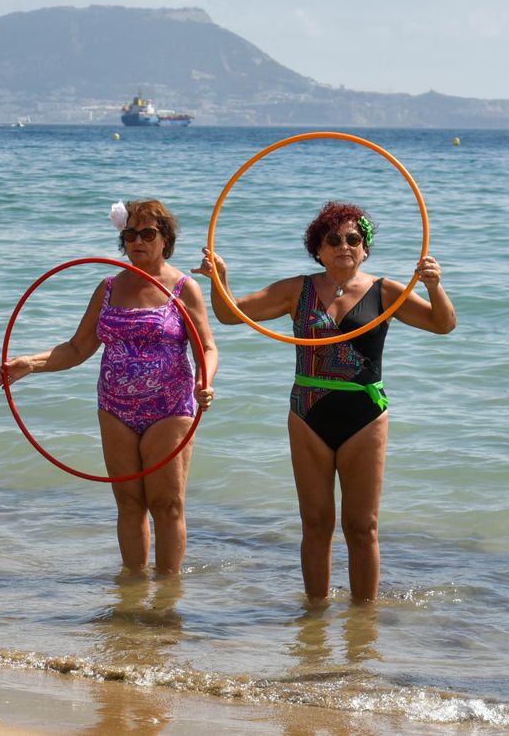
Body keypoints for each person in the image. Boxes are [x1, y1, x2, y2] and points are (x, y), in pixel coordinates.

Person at [195, 202, 455, 603]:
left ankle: (362, 628)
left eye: (354, 238)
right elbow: (231, 315)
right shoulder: (296, 290)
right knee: (315, 524)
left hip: (365, 416)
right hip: (307, 413)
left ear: (365, 248)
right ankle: (312, 622)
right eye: (333, 239)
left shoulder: (385, 291)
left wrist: (434, 285)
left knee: (362, 527)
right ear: (317, 249)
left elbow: (443, 324)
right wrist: (220, 278)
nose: (344, 246)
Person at [0, 200, 218, 575]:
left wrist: (205, 381)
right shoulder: (108, 287)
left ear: (165, 240)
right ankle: (131, 593)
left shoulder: (185, 288)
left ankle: (166, 599)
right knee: (129, 502)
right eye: (130, 234)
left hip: (170, 406)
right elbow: (77, 348)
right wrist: (29, 364)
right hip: (115, 408)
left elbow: (208, 348)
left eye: (147, 233)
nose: (137, 241)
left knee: (167, 504)